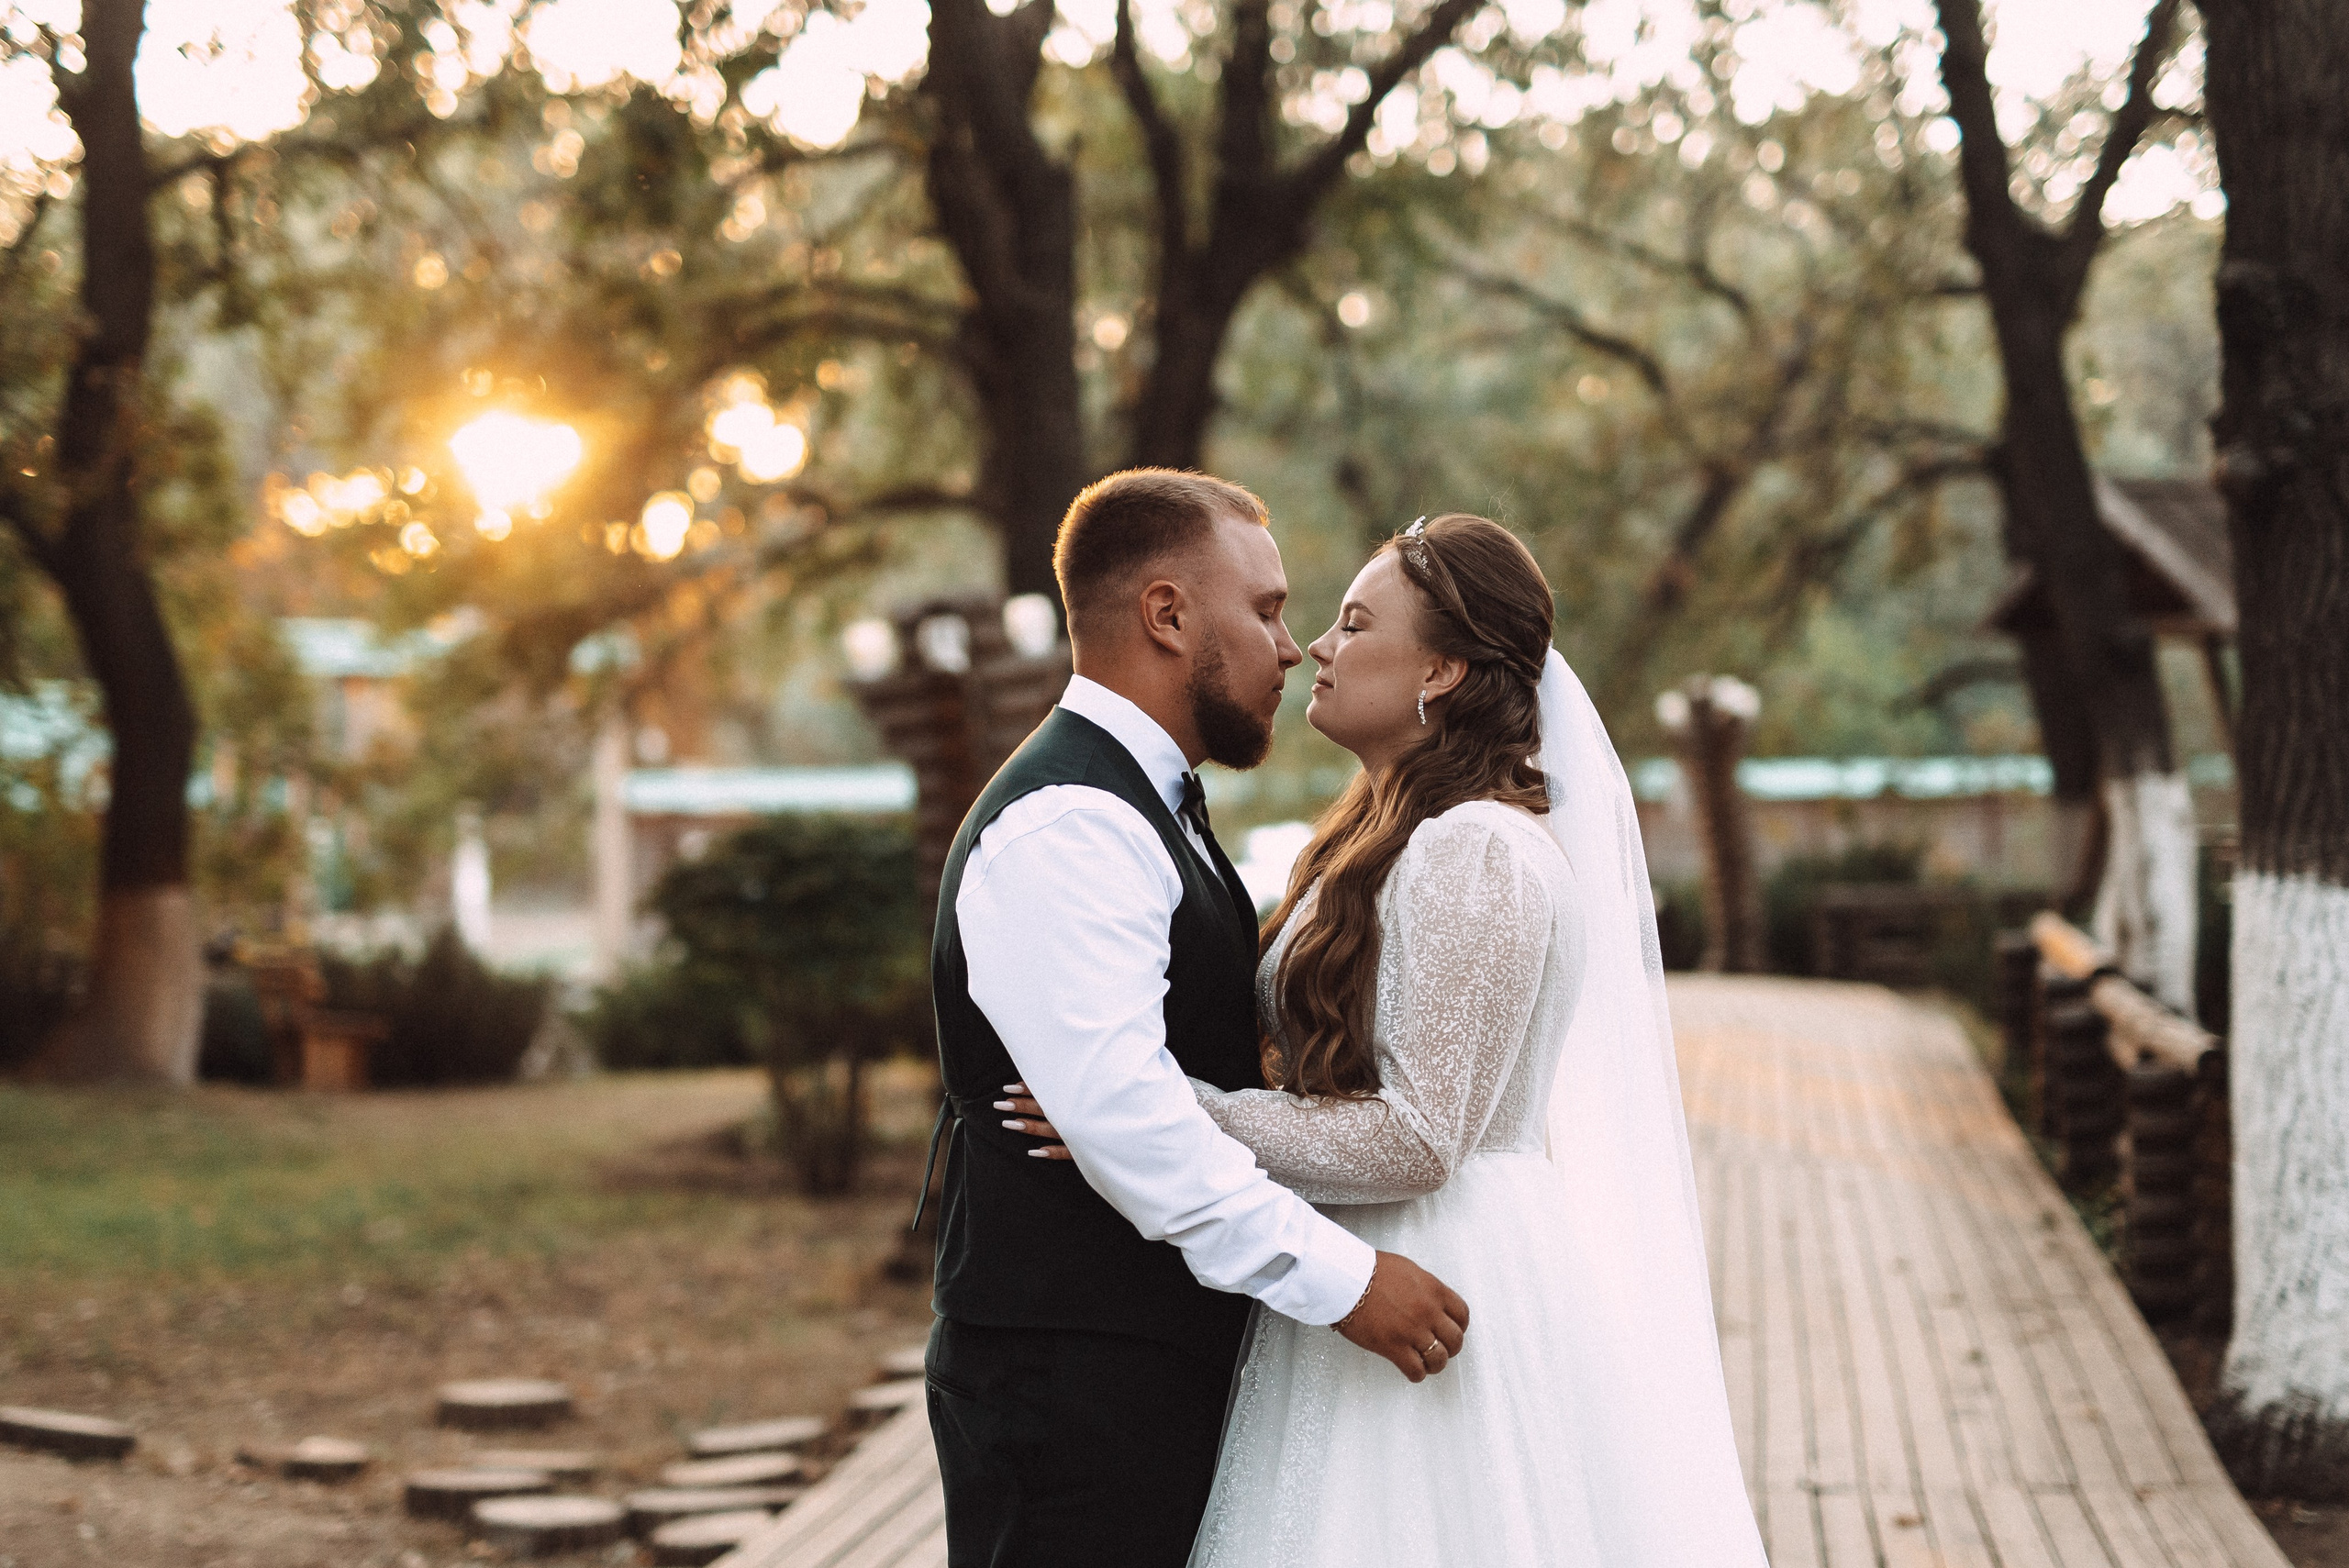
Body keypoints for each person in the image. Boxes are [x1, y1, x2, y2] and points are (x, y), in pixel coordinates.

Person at [1007, 514, 1768, 1565]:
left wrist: (1167, 1109)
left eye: (1354, 622)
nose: (1317, 643)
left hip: (1437, 1269)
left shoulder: (1477, 851)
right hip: (1373, 1256)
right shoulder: (1389, 836)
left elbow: (1418, 1137)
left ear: (1444, 668)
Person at [922, 470, 1474, 1568]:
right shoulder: (1070, 822)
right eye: (1265, 609)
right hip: (1069, 1384)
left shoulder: (1144, 804)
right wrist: (1345, 1282)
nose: (1289, 646)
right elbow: (1129, 1121)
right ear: (1167, 614)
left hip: (1135, 1367)